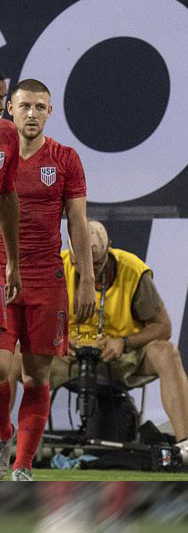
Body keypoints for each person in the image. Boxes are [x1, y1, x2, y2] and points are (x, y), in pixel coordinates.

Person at [0, 79, 93, 481]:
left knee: (35, 376)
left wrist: (86, 277)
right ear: (11, 110)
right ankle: (4, 431)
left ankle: (22, 465)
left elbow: (77, 220)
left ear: (50, 112)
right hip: (1, 272)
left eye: (40, 107)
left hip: (47, 277)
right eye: (25, 107)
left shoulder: (65, 158)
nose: (32, 114)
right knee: (1, 369)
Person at [47, 220, 188, 442]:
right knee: (10, 359)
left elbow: (163, 327)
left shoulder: (133, 271)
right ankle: (12, 446)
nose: (90, 274)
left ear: (109, 248)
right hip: (68, 357)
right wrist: (58, 339)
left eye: (96, 266)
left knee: (167, 353)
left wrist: (124, 342)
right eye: (82, 265)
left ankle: (186, 446)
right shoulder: (57, 267)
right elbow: (34, 320)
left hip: (120, 358)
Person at [0, 74, 21, 477]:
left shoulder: (7, 135)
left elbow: (7, 197)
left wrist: (13, 260)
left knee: (3, 369)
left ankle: (3, 433)